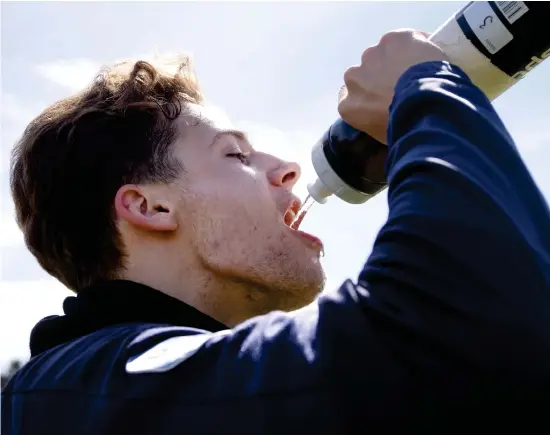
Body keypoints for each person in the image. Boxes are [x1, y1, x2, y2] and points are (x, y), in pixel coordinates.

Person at [2, 29, 550, 434]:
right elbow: (464, 335)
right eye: (236, 154)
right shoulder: (89, 395)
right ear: (149, 206)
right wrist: (424, 88)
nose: (287, 167)